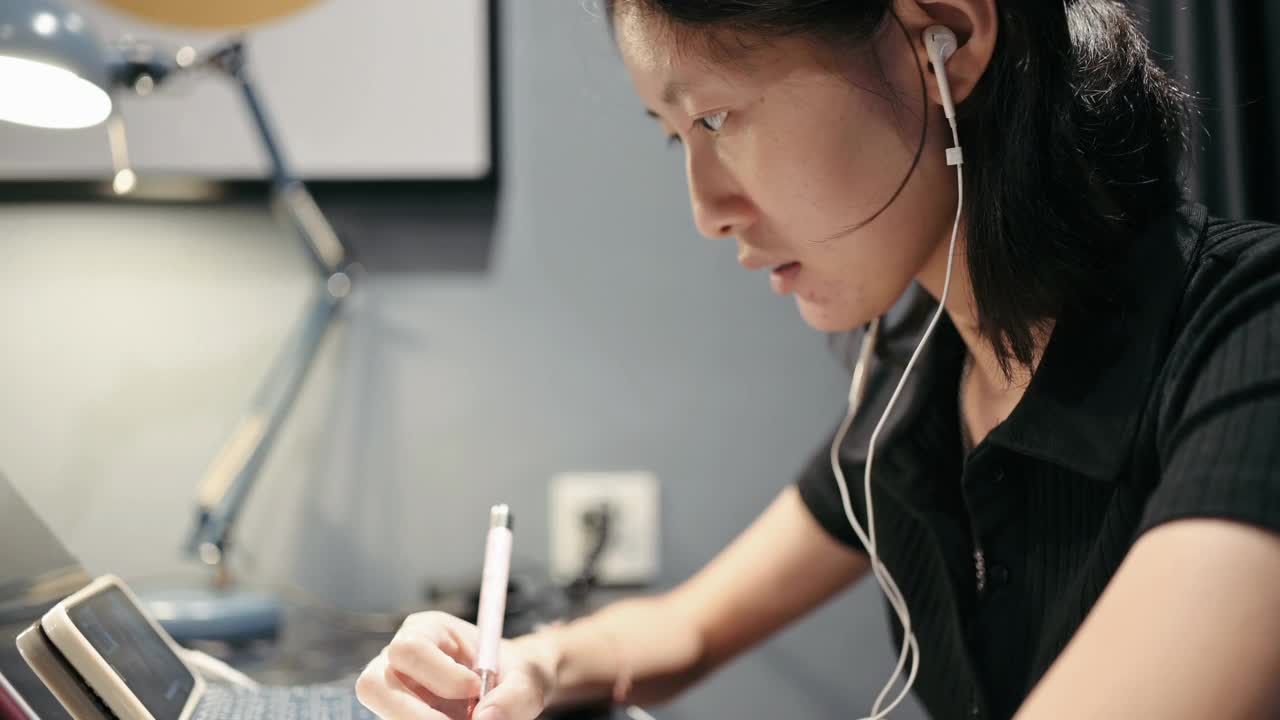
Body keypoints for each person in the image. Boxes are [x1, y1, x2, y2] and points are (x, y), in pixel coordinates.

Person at [354, 1, 1280, 718]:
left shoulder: (1250, 338)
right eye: (677, 138)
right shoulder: (920, 385)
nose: (706, 208)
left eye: (717, 117)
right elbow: (685, 628)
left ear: (944, 37)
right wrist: (527, 664)